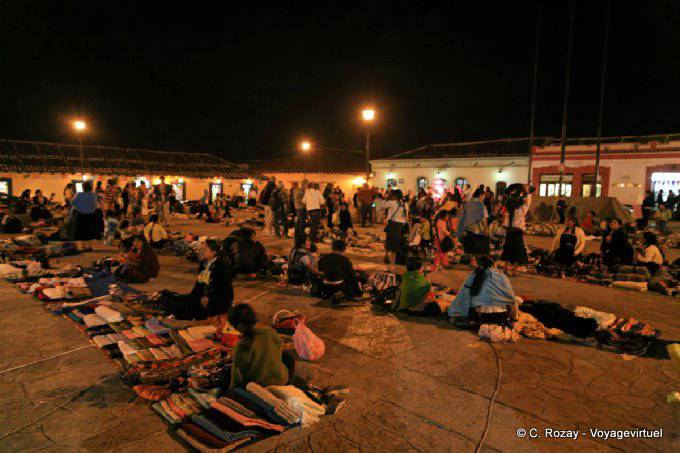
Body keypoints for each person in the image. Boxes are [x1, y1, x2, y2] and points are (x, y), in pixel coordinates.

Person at [164, 240, 233, 334]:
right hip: (203, 297)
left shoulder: (221, 267)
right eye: (201, 249)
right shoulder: (204, 263)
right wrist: (194, 297)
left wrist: (210, 298)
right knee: (179, 303)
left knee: (195, 312)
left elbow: (226, 291)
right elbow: (199, 284)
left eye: (205, 249)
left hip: (217, 300)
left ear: (214, 252)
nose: (202, 251)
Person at [228, 303, 292, 389]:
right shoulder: (269, 332)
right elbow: (278, 350)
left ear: (238, 326)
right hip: (282, 380)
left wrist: (230, 393)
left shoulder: (241, 346)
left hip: (260, 388)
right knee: (288, 357)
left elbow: (236, 378)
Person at [447, 255, 518, 324]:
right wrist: (514, 318)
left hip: (480, 317)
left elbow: (464, 295)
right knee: (511, 300)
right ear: (494, 264)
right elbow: (512, 299)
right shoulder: (501, 275)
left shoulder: (474, 274)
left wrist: (457, 310)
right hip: (500, 317)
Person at [501, 184, 532, 275]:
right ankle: (513, 270)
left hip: (509, 231)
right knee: (517, 251)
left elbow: (505, 198)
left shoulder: (508, 208)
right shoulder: (521, 208)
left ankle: (506, 268)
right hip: (517, 231)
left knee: (508, 249)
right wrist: (527, 192)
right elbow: (527, 202)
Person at [457, 187, 490, 256]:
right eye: (484, 196)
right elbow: (483, 218)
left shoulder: (468, 203)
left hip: (469, 228)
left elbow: (462, 215)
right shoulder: (480, 205)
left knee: (471, 248)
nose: (484, 197)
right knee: (478, 248)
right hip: (479, 229)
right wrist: (486, 228)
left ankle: (472, 261)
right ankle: (477, 262)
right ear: (480, 195)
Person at [382, 189, 407, 265]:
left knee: (389, 241)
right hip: (400, 225)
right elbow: (406, 216)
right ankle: (393, 261)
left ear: (394, 196)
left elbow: (382, 205)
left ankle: (387, 257)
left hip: (392, 224)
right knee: (396, 243)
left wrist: (387, 198)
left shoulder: (392, 203)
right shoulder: (405, 204)